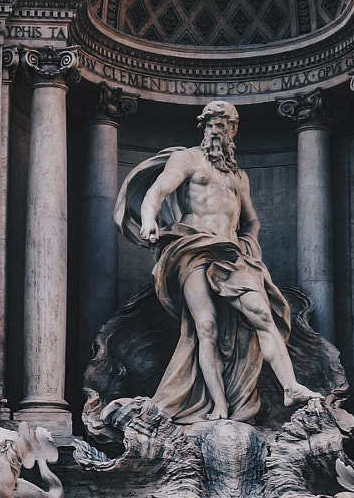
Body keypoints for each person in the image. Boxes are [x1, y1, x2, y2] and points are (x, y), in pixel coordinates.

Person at [126, 100, 318, 422]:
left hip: (230, 254)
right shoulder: (186, 159)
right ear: (203, 128)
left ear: (233, 131)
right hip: (192, 247)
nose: (217, 131)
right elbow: (157, 192)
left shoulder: (238, 177)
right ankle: (218, 405)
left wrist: (250, 245)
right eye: (212, 124)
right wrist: (149, 220)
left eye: (223, 125)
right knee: (206, 326)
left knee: (262, 314)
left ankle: (290, 386)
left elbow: (251, 221)